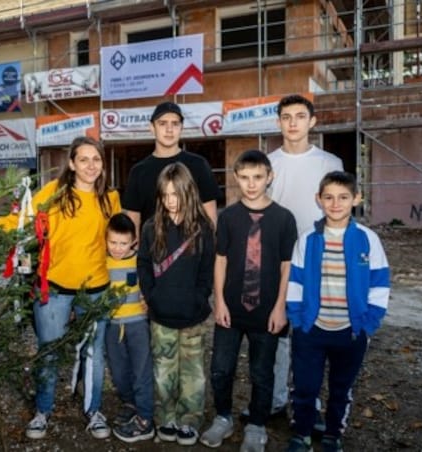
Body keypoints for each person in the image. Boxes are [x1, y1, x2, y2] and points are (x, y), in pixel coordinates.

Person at [0, 136, 120, 440]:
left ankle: (94, 411)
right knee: (49, 353)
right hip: (55, 289)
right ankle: (42, 411)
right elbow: (17, 222)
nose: (90, 166)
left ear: (103, 163)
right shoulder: (54, 194)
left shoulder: (110, 199)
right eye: (83, 159)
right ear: (72, 164)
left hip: (97, 289)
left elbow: (121, 241)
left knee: (94, 354)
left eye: (96, 159)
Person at [285, 171, 390, 452]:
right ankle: (302, 434)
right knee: (305, 388)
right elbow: (295, 281)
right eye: (328, 197)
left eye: (343, 197)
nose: (335, 204)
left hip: (351, 332)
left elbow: (379, 284)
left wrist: (368, 325)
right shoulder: (308, 239)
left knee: (340, 389)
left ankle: (333, 435)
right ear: (318, 200)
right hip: (311, 330)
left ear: (356, 198)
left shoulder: (368, 240)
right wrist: (298, 321)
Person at [201, 150, 297, 452]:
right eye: (244, 177)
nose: (251, 184)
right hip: (232, 309)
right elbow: (220, 261)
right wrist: (220, 302)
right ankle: (223, 417)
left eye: (258, 177)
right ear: (236, 178)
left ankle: (257, 424)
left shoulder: (284, 218)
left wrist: (281, 306)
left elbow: (287, 265)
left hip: (268, 310)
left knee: (262, 372)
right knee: (221, 368)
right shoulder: (228, 216)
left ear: (270, 176)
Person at [268, 94, 344, 423]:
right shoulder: (268, 163)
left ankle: (306, 404)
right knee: (278, 333)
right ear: (279, 122)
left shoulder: (330, 163)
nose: (294, 122)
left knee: (310, 335)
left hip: (318, 260)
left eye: (300, 116)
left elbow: (338, 211)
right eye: (287, 116)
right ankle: (275, 399)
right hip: (278, 260)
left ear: (312, 121)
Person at [137, 162, 215, 447]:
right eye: (165, 194)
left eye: (176, 193)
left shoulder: (203, 228)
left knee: (193, 374)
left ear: (188, 192)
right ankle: (165, 418)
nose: (171, 200)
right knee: (163, 372)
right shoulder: (150, 227)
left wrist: (199, 297)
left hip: (194, 316)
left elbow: (207, 270)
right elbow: (144, 264)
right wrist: (152, 295)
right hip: (161, 316)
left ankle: (190, 420)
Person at [122, 101, 220, 234]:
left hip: (192, 251)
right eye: (162, 123)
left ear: (181, 128)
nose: (169, 129)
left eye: (175, 123)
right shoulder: (139, 171)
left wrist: (209, 250)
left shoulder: (198, 165)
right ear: (152, 127)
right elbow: (134, 220)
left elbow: (210, 217)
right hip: (153, 252)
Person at [103, 212, 155, 443]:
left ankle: (145, 415)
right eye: (113, 242)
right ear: (105, 239)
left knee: (141, 369)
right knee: (118, 368)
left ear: (134, 241)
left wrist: (148, 300)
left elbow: (150, 285)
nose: (117, 248)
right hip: (112, 325)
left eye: (123, 243)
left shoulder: (139, 261)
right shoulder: (102, 262)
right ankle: (129, 402)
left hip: (137, 324)